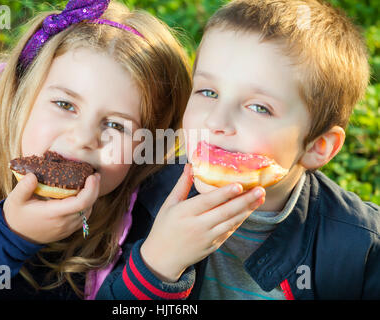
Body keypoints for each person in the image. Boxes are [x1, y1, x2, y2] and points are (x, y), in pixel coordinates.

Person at [96, 0, 379, 299]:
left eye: (259, 107)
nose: (216, 121)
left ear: (317, 146)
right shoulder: (141, 195)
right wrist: (157, 264)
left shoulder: (362, 249)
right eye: (208, 92)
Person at [0, 0, 192, 299]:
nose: (83, 137)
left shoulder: (145, 208)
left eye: (117, 126)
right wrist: (10, 236)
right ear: (20, 95)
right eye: (65, 105)